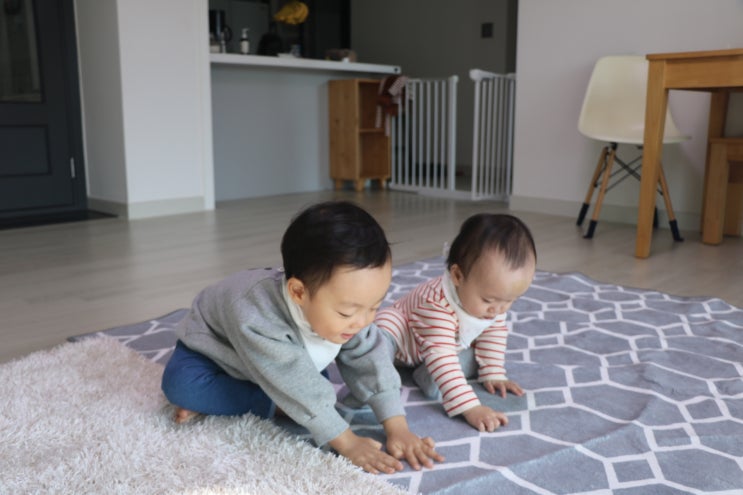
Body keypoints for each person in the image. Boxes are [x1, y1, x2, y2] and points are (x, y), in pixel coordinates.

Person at [161, 200, 443, 474]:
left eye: (375, 307)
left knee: (313, 389)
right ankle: (274, 402)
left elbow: (370, 359)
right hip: (216, 352)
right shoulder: (255, 314)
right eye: (347, 312)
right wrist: (348, 443)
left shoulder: (353, 311)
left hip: (282, 359)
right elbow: (300, 384)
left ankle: (275, 398)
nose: (364, 321)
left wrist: (397, 427)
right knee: (182, 387)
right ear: (298, 292)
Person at [375, 213, 536, 433]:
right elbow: (441, 354)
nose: (498, 309)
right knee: (382, 331)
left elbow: (494, 332)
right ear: (458, 276)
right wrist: (471, 407)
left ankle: (430, 375)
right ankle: (379, 372)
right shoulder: (436, 304)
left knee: (466, 355)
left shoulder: (494, 304)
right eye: (488, 300)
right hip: (404, 342)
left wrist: (493, 372)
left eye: (510, 301)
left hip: (439, 349)